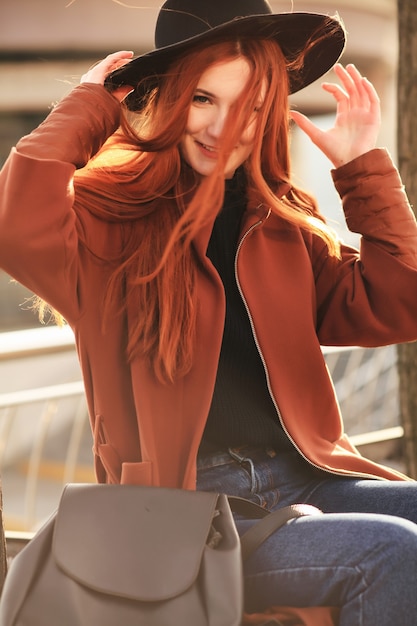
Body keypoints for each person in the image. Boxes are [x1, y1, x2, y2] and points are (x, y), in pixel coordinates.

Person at [1, 0, 417, 624]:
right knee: (390, 553)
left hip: (305, 477)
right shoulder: (107, 221)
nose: (226, 129)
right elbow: (17, 229)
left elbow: (397, 303)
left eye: (250, 107)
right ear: (164, 97)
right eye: (203, 99)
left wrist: (361, 171)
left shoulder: (277, 222)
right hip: (184, 514)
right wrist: (87, 106)